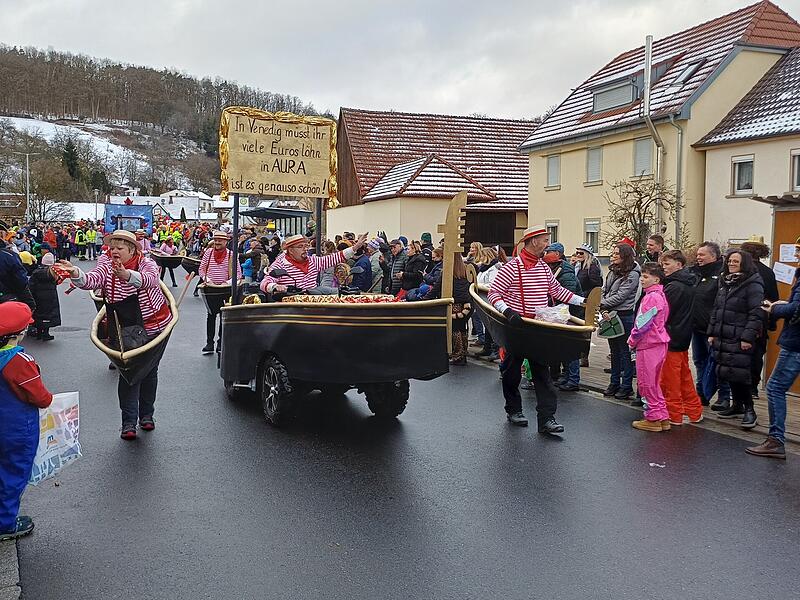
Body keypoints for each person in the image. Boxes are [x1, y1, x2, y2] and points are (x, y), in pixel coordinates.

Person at [61, 230, 173, 440]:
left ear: (131, 251)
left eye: (119, 248)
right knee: (129, 373)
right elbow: (93, 280)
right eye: (112, 247)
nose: (114, 251)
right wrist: (75, 272)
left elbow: (151, 280)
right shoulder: (105, 262)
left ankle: (146, 415)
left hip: (154, 326)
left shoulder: (146, 263)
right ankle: (128, 422)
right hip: (123, 330)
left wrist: (128, 276)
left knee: (149, 371)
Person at [488, 226, 585, 434]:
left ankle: (547, 419)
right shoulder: (511, 267)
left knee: (542, 374)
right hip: (517, 327)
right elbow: (494, 294)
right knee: (511, 372)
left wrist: (583, 301)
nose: (547, 244)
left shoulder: (543, 267)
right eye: (544, 240)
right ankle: (514, 410)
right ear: (533, 241)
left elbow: (557, 291)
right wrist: (508, 312)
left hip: (538, 328)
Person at [0, 302, 53, 541]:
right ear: (18, 333)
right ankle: (6, 523)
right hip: (17, 429)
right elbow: (40, 397)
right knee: (14, 473)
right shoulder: (19, 362)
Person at [748, 240, 800, 459]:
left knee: (775, 387)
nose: (797, 253)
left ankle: (776, 440)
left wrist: (775, 307)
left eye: (799, 249)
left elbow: (795, 308)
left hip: (796, 342)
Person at [707, 249, 765, 430]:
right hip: (724, 335)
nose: (731, 264)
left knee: (741, 374)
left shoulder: (752, 284)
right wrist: (712, 332)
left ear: (744, 264)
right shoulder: (725, 282)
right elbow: (716, 309)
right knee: (727, 372)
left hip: (740, 337)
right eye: (730, 260)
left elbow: (756, 313)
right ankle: (737, 405)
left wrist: (747, 337)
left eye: (736, 261)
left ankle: (749, 409)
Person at [659, 250, 703, 425]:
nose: (664, 268)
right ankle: (694, 411)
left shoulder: (674, 286)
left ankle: (674, 414)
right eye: (663, 264)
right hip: (681, 336)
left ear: (679, 264)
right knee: (684, 377)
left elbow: (664, 313)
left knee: (670, 379)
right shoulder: (687, 283)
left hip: (671, 336)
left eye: (667, 264)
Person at [628, 263, 671, 432]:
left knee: (646, 383)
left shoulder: (651, 297)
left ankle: (653, 418)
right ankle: (662, 416)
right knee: (654, 383)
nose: (641, 280)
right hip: (659, 343)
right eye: (642, 276)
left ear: (656, 279)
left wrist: (632, 339)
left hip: (648, 344)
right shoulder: (660, 295)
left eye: (646, 277)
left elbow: (642, 323)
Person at [690, 241, 729, 410]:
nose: (698, 257)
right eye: (697, 254)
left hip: (713, 328)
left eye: (702, 255)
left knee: (717, 363)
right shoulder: (696, 273)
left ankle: (724, 397)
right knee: (700, 361)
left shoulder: (721, 275)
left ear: (713, 256)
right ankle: (702, 394)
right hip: (696, 327)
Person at [261, 233, 368, 295]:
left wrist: (355, 247)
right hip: (291, 307)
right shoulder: (280, 264)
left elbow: (334, 258)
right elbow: (264, 283)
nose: (305, 249)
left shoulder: (312, 261)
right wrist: (275, 286)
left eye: (306, 246)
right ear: (290, 250)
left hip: (312, 301)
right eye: (300, 247)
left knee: (340, 292)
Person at [600, 243, 641, 401]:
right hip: (610, 314)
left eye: (617, 253)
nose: (614, 255)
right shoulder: (612, 271)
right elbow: (604, 290)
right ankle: (614, 383)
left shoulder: (632, 274)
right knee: (614, 352)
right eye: (614, 253)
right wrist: (602, 305)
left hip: (624, 315)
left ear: (625, 256)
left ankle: (626, 386)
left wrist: (603, 304)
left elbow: (622, 296)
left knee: (625, 353)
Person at [740, 239, 779, 398]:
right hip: (761, 318)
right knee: (757, 355)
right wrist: (772, 321)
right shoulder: (768, 272)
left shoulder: (743, 271)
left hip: (743, 319)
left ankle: (741, 388)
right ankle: (753, 387)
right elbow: (773, 298)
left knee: (741, 355)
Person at [542, 243, 583, 392]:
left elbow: (568, 295)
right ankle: (565, 376)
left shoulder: (566, 273)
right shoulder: (554, 270)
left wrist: (553, 302)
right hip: (560, 314)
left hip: (570, 314)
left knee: (571, 348)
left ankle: (573, 379)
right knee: (563, 348)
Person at [199, 231, 242, 355]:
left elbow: (238, 274)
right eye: (216, 240)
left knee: (224, 317)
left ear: (226, 242)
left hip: (225, 289)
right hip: (211, 288)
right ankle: (209, 343)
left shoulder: (232, 255)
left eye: (220, 240)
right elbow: (201, 269)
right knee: (211, 316)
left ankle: (220, 343)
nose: (217, 242)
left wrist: (227, 283)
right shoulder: (208, 253)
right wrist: (207, 280)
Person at [28, 253, 61, 341]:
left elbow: (31, 285)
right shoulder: (53, 273)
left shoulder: (36, 273)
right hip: (50, 297)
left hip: (38, 296)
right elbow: (56, 282)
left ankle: (39, 333)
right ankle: (46, 333)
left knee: (38, 313)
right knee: (48, 314)